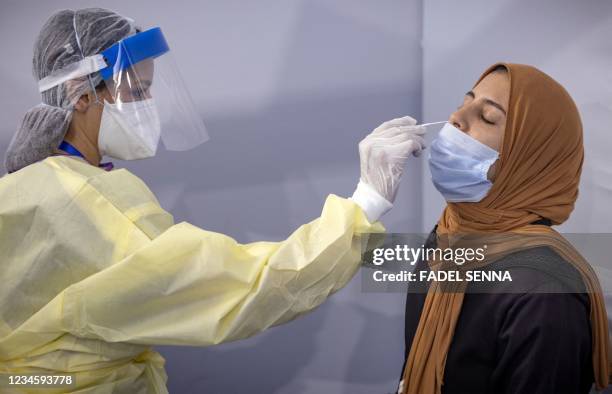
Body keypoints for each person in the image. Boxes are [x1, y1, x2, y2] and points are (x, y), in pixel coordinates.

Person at [0, 8, 426, 393]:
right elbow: (243, 289)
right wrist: (366, 201)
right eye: (136, 92)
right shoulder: (97, 200)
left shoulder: (26, 184)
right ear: (80, 94)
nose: (150, 106)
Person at [398, 63, 611, 394]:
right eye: (464, 103)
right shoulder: (449, 232)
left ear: (530, 159)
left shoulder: (544, 294)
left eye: (487, 117)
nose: (456, 118)